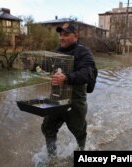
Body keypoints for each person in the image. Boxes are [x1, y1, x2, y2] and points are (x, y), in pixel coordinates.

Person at [41, 22, 96, 157]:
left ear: (75, 36)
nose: (62, 38)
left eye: (66, 35)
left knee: (79, 131)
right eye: (60, 35)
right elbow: (45, 67)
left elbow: (88, 73)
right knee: (48, 128)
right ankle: (52, 157)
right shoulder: (55, 52)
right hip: (56, 98)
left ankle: (82, 151)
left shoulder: (83, 52)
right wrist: (34, 65)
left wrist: (66, 78)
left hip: (75, 101)